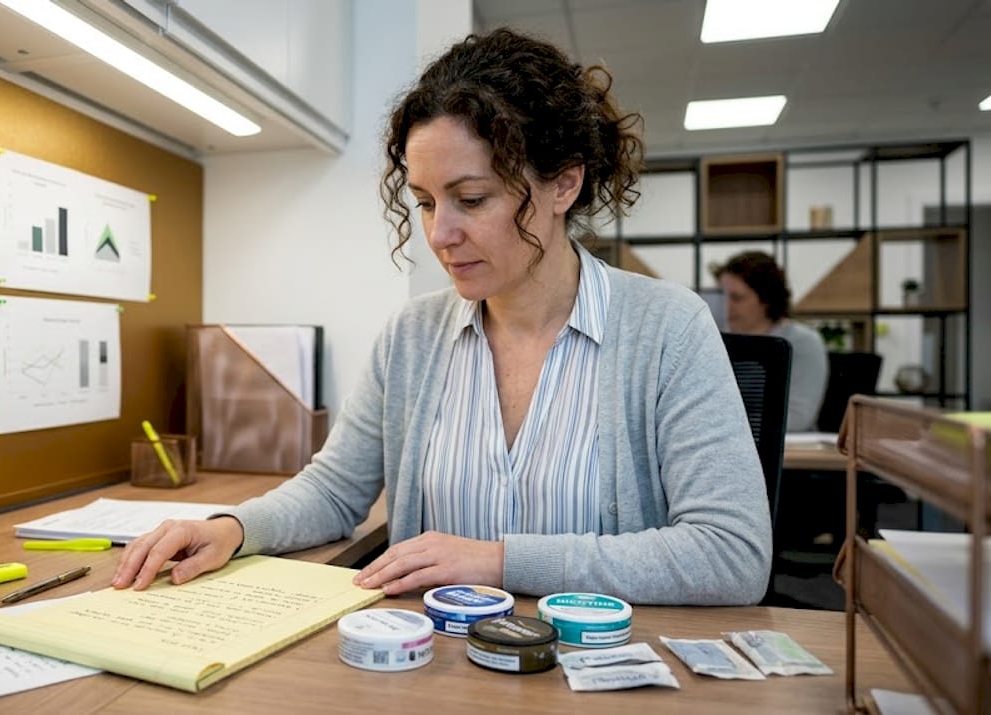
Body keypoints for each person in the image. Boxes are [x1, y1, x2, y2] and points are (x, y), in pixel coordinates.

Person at [113, 28, 771, 605]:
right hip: (431, 664)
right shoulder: (413, 335)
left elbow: (730, 554)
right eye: (426, 202)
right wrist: (232, 527)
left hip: (594, 673)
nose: (439, 234)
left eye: (472, 198)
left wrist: (499, 561)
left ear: (563, 184)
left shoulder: (667, 327)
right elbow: (335, 490)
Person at [714, 251, 829, 432]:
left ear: (766, 300)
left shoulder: (803, 343)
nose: (726, 306)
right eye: (723, 296)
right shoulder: (714, 339)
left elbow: (797, 418)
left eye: (737, 298)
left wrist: (719, 426)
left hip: (789, 454)